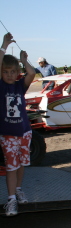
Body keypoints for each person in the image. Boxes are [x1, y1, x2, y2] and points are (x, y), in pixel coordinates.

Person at [0, 32, 36, 216]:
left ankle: (19, 189)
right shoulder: (2, 86)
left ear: (17, 73)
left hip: (24, 132)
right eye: (5, 71)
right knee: (11, 166)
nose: (9, 75)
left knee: (21, 164)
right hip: (8, 134)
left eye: (12, 71)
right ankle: (11, 199)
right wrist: (4, 45)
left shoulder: (20, 85)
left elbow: (32, 72)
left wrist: (23, 60)